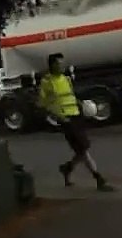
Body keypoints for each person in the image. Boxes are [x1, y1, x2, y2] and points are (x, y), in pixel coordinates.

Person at [39, 53, 114, 192]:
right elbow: (44, 104)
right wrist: (57, 117)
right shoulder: (47, 82)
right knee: (83, 149)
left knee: (83, 148)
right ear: (51, 65)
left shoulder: (66, 78)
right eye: (58, 64)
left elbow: (71, 95)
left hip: (76, 115)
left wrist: (82, 104)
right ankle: (99, 179)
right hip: (65, 120)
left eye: (62, 63)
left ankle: (67, 168)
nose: (62, 66)